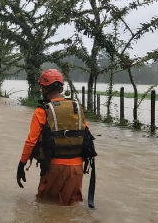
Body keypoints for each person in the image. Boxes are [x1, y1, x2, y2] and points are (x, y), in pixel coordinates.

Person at [16, 69, 97, 207]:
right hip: (76, 169)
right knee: (71, 208)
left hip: (54, 168)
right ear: (61, 87)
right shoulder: (76, 107)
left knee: (45, 207)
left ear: (44, 88)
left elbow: (31, 141)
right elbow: (86, 134)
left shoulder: (42, 111)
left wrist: (21, 164)